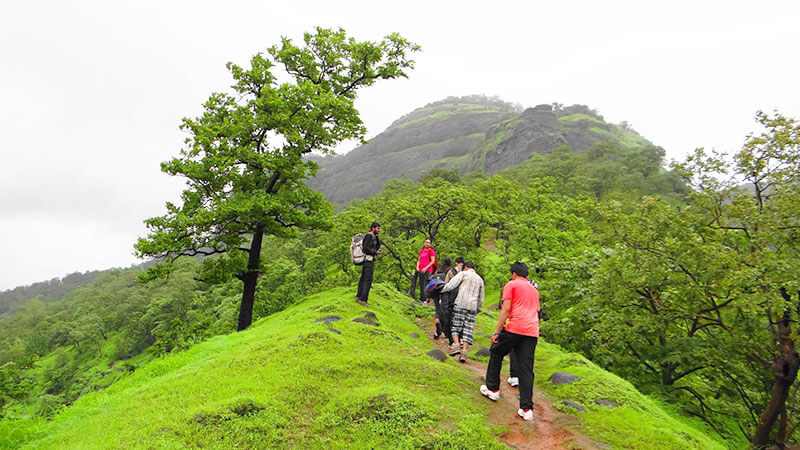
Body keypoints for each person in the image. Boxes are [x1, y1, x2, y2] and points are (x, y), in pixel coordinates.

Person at [480, 262, 540, 422]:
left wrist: (497, 331)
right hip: (532, 331)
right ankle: (526, 409)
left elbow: (505, 309)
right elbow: (536, 311)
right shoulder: (534, 290)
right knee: (526, 369)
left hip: (515, 326)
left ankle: (492, 388)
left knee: (496, 351)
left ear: (513, 274)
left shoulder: (511, 284)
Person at [440, 261, 484, 363]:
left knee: (456, 326)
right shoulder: (479, 279)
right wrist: (479, 308)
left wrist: (441, 290)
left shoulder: (463, 274)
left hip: (461, 303)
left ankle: (456, 346)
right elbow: (481, 297)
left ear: (465, 267)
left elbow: (451, 285)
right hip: (472, 306)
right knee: (468, 329)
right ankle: (464, 351)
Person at [355, 222, 382, 306]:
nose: (379, 230)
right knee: (368, 280)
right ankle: (363, 299)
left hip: (369, 260)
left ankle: (359, 296)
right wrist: (375, 252)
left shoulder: (373, 236)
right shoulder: (369, 236)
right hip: (368, 260)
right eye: (377, 228)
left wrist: (377, 238)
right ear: (373, 228)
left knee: (363, 278)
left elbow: (377, 245)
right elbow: (365, 248)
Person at [431, 257, 455, 339]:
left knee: (437, 312)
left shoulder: (439, 270)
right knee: (446, 314)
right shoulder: (450, 271)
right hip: (447, 295)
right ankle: (445, 331)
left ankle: (438, 327)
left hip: (437, 294)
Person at [410, 238, 436, 302]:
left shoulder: (431, 251)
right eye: (426, 242)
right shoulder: (421, 251)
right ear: (424, 243)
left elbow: (433, 261)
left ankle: (424, 299)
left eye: (428, 243)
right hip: (420, 269)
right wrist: (417, 267)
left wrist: (426, 268)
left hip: (427, 270)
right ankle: (417, 297)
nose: (427, 243)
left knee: (424, 284)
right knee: (420, 283)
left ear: (430, 244)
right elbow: (419, 260)